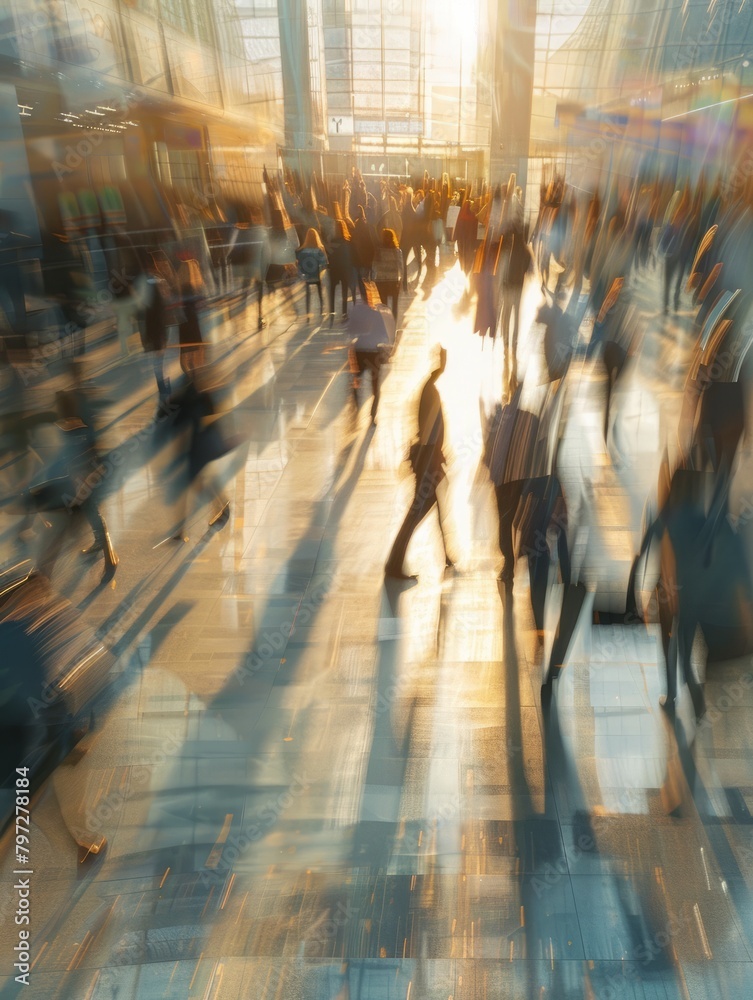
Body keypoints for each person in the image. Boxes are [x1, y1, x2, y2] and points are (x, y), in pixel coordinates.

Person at [385, 347, 453, 580]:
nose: (444, 364)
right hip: (427, 461)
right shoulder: (429, 389)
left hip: (429, 459)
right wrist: (433, 458)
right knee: (416, 514)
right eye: (442, 360)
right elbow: (428, 430)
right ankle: (393, 565)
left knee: (435, 506)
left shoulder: (429, 388)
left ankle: (447, 556)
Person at [348, 282, 395, 420]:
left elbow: (350, 331)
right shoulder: (377, 314)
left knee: (357, 380)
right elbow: (384, 336)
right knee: (376, 387)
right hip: (374, 353)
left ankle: (356, 410)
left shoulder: (356, 312)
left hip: (359, 351)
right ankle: (373, 414)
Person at [326, 220, 355, 325]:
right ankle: (344, 311)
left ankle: (332, 310)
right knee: (344, 291)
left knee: (332, 289)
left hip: (334, 268)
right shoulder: (348, 242)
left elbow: (328, 256)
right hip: (345, 269)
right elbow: (351, 256)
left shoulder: (333, 241)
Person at [295, 228, 328, 320]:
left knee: (308, 294)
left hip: (307, 277)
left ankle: (308, 312)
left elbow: (299, 265)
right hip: (317, 276)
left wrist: (303, 273)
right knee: (320, 292)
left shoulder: (302, 251)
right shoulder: (319, 250)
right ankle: (322, 310)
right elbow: (324, 264)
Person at [372, 229, 403, 320]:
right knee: (395, 304)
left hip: (381, 280)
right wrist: (401, 279)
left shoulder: (378, 250)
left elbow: (375, 264)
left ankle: (385, 322)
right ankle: (394, 321)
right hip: (393, 280)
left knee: (384, 304)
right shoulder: (397, 251)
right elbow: (400, 265)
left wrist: (373, 277)